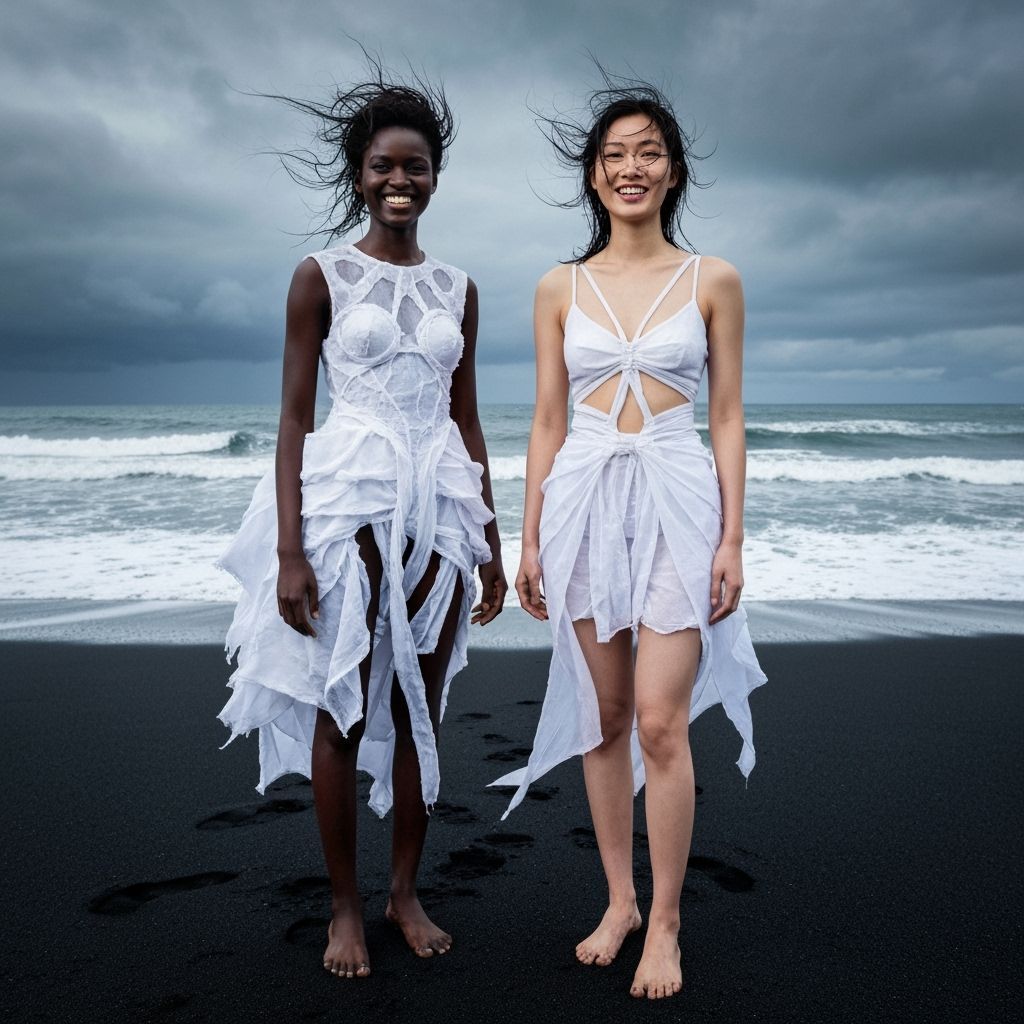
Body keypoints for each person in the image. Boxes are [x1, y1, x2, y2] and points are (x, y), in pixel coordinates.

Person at [216, 64, 507, 980]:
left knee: (422, 702)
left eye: (416, 166)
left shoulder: (460, 287)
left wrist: (492, 541)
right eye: (384, 165)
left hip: (441, 510)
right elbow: (296, 417)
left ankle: (405, 892)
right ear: (360, 174)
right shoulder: (321, 276)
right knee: (342, 708)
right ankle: (345, 906)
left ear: (434, 175)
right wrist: (289, 550)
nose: (400, 181)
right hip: (349, 508)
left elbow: (467, 417)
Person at [496, 75, 767, 1000]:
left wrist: (733, 536)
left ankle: (667, 922)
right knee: (604, 719)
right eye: (614, 155)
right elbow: (545, 419)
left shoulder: (713, 279)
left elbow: (726, 415)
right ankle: (618, 899)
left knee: (659, 720)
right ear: (594, 176)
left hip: (679, 500)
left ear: (674, 170)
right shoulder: (559, 286)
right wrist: (527, 538)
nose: (630, 168)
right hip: (581, 504)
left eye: (647, 151)